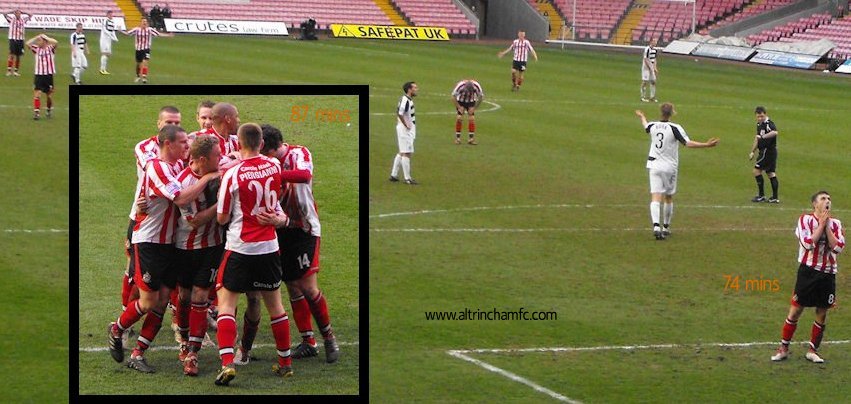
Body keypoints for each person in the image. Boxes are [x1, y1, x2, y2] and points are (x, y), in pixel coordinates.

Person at [107, 124, 219, 373]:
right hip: (150, 242)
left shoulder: (177, 165)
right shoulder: (156, 167)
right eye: (182, 144)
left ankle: (137, 354)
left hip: (168, 244)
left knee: (162, 301)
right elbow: (180, 198)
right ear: (168, 144)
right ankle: (117, 328)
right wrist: (208, 179)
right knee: (148, 302)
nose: (186, 148)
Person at [214, 123, 294, 386]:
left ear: (239, 144)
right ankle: (285, 363)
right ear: (261, 143)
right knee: (276, 306)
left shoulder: (233, 174)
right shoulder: (274, 166)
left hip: (240, 247)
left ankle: (227, 364)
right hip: (269, 247)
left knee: (226, 303)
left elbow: (222, 216)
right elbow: (277, 199)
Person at [256, 124, 340, 363]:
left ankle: (329, 338)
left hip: (304, 228)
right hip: (281, 229)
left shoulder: (299, 153)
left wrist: (272, 174)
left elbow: (304, 176)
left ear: (270, 148)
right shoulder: (265, 162)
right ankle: (308, 341)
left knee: (308, 287)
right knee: (292, 285)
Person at [771, 191, 844, 363]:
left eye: (829, 199)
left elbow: (838, 248)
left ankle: (813, 350)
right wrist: (821, 225)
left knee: (822, 312)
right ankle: (784, 348)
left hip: (828, 274)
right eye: (823, 199)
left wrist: (826, 226)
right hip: (808, 272)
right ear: (814, 204)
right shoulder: (805, 219)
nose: (827, 201)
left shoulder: (836, 224)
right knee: (796, 310)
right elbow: (808, 244)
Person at [173, 134, 223, 376]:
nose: (222, 158)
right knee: (183, 297)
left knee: (201, 296)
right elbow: (194, 221)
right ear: (202, 159)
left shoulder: (220, 169)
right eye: (217, 155)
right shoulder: (183, 183)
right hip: (185, 247)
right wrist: (221, 204)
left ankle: (193, 353)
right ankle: (183, 340)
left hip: (212, 247)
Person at [635, 103, 719, 240]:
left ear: (661, 112)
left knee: (655, 197)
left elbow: (645, 126)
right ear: (672, 113)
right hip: (669, 167)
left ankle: (656, 227)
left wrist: (642, 116)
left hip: (654, 165)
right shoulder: (675, 128)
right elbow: (688, 143)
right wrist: (706, 145)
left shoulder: (653, 125)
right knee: (668, 197)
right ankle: (666, 227)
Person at [123, 18, 174, 84]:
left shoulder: (150, 30)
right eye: (143, 21)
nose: (144, 23)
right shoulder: (136, 30)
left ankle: (144, 77)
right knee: (138, 64)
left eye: (145, 22)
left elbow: (159, 34)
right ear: (140, 23)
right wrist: (120, 30)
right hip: (138, 49)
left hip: (146, 49)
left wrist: (168, 35)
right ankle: (138, 76)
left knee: (145, 62)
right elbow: (127, 34)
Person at [748, 106, 780, 203]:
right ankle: (774, 198)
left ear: (765, 114)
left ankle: (761, 196)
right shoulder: (759, 124)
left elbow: (775, 132)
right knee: (770, 173)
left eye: (761, 116)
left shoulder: (768, 123)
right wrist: (752, 151)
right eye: (758, 116)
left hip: (768, 152)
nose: (760, 118)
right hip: (766, 152)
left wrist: (763, 136)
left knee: (756, 171)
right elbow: (757, 138)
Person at [389, 81, 418, 185]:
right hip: (405, 130)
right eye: (414, 88)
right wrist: (406, 125)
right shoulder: (405, 100)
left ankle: (394, 175)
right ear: (409, 89)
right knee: (407, 153)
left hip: (405, 129)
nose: (416, 89)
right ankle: (407, 178)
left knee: (402, 151)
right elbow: (399, 113)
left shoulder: (407, 100)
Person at [25, 34, 58, 121]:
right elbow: (27, 43)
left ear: (44, 41)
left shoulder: (50, 48)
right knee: (37, 94)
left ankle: (48, 110)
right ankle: (37, 113)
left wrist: (46, 37)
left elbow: (56, 42)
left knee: (49, 95)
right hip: (38, 75)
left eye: (40, 40)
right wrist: (36, 37)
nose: (38, 42)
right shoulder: (36, 49)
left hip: (48, 75)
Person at [451, 79, 484, 145]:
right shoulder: (460, 86)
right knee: (459, 118)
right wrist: (459, 107)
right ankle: (458, 139)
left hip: (471, 101)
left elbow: (481, 97)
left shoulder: (477, 86)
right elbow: (453, 97)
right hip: (461, 101)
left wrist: (474, 108)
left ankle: (471, 139)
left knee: (471, 118)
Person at [4, 9, 31, 76]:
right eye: (16, 13)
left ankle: (16, 71)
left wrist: (23, 11)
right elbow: (4, 14)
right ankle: (9, 70)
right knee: (11, 54)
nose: (18, 14)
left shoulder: (23, 20)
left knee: (18, 56)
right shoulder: (11, 20)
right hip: (13, 39)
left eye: (19, 13)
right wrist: (12, 11)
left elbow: (31, 15)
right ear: (14, 14)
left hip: (20, 39)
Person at [99, 10, 119, 74]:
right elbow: (105, 30)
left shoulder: (112, 21)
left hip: (109, 40)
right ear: (107, 15)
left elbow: (112, 31)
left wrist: (115, 37)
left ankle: (104, 69)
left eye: (112, 14)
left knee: (108, 54)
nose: (111, 16)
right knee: (105, 53)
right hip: (104, 39)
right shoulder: (105, 21)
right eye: (110, 14)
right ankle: (102, 69)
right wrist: (111, 36)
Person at [641, 38, 658, 102]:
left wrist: (655, 67)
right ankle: (643, 97)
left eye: (656, 41)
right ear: (651, 42)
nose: (655, 43)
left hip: (651, 67)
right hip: (646, 67)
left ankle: (652, 97)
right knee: (645, 81)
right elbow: (646, 59)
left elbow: (654, 59)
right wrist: (650, 68)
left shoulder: (655, 50)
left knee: (653, 81)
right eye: (654, 41)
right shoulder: (647, 49)